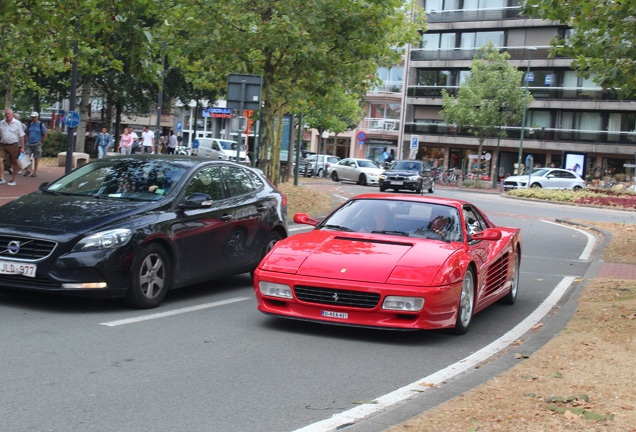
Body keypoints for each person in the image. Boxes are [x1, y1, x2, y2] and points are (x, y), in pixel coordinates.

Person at [0, 108, 26, 186]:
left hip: (13, 145)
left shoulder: (17, 123)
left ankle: (13, 179)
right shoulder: (1, 123)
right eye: (6, 114)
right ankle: (1, 177)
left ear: (12, 114)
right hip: (3, 144)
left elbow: (21, 136)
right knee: (0, 160)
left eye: (9, 114)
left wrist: (22, 147)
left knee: (14, 162)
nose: (7, 115)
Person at [23, 111, 47, 177]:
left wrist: (40, 141)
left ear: (37, 117)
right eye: (32, 117)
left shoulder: (40, 124)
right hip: (29, 143)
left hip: (37, 143)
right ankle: (27, 170)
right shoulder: (30, 124)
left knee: (36, 158)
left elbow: (45, 134)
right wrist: (26, 139)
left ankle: (35, 172)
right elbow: (27, 132)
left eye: (34, 117)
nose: (33, 118)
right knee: (27, 156)